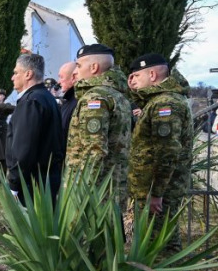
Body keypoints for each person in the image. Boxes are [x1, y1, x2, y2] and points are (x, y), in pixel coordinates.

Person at [126, 53, 193, 251]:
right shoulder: (159, 100)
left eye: (136, 76)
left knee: (160, 244)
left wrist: (156, 193)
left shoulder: (165, 104)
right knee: (160, 239)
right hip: (157, 188)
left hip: (159, 190)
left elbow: (167, 152)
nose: (133, 81)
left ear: (152, 75)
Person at [66, 44, 132, 206]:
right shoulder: (117, 95)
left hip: (95, 194)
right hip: (112, 186)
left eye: (79, 66)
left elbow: (94, 150)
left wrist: (83, 192)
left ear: (94, 67)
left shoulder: (95, 98)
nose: (76, 71)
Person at [5, 53, 64, 206]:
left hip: (32, 182)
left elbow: (24, 149)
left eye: (16, 72)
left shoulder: (31, 101)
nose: (12, 77)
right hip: (47, 178)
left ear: (28, 74)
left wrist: (14, 183)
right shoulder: (46, 97)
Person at [57, 61, 78, 150]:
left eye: (61, 77)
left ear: (73, 77)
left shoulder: (77, 102)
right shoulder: (67, 101)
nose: (58, 82)